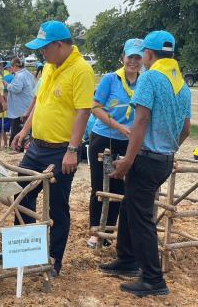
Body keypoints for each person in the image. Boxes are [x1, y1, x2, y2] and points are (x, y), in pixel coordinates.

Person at [100, 31, 191, 297]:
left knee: (141, 219)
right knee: (130, 207)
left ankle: (153, 279)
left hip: (145, 157)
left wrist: (128, 159)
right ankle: (126, 259)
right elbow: (185, 128)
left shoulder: (150, 77)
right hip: (162, 159)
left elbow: (140, 121)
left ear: (149, 54)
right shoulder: (182, 84)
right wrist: (169, 149)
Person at [12, 21, 95, 276]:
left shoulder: (81, 71)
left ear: (59, 45)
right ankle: (24, 253)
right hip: (36, 146)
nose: (41, 53)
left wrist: (73, 149)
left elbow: (83, 111)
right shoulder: (49, 66)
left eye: (44, 48)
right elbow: (39, 100)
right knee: (22, 196)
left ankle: (53, 259)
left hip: (61, 151)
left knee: (57, 206)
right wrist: (25, 129)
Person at [87, 38, 143, 249]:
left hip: (128, 143)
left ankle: (108, 230)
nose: (133, 62)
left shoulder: (144, 82)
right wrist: (119, 127)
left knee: (119, 187)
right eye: (130, 57)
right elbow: (95, 107)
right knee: (100, 185)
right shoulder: (111, 80)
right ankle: (95, 231)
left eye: (138, 58)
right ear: (123, 58)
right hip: (104, 138)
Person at [5, 57, 36, 150]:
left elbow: (16, 89)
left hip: (20, 106)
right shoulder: (29, 74)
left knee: (17, 127)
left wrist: (7, 85)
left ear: (15, 66)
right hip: (27, 104)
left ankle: (16, 146)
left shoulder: (19, 76)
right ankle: (24, 146)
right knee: (26, 128)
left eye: (11, 66)